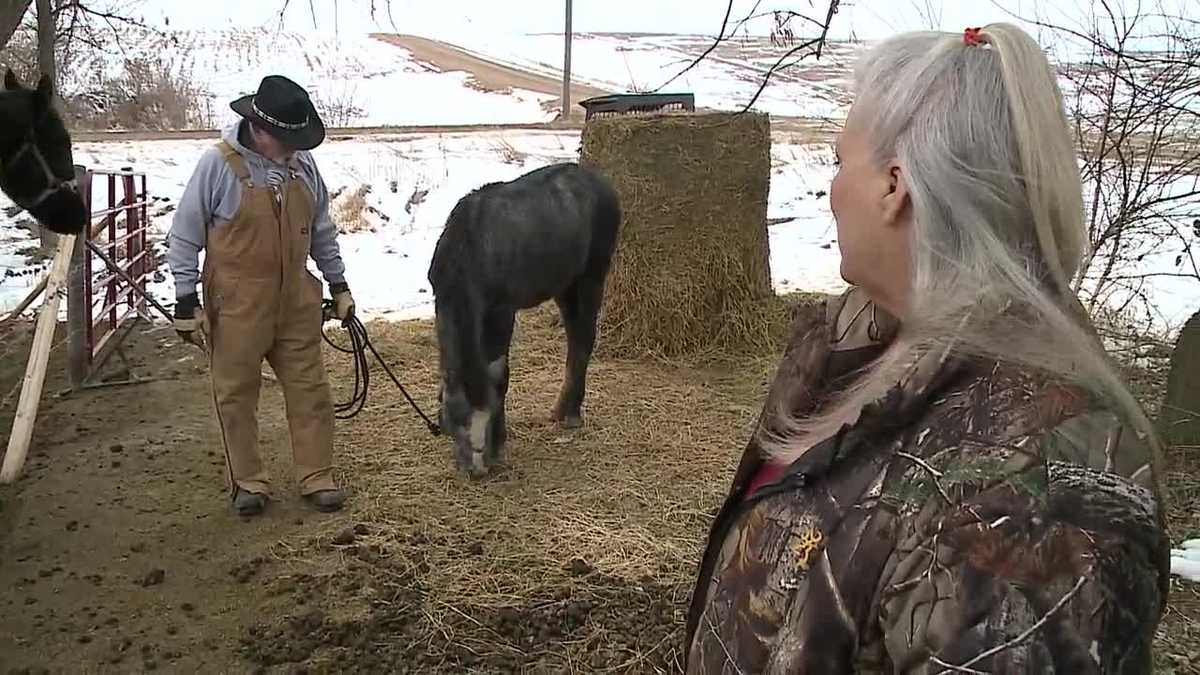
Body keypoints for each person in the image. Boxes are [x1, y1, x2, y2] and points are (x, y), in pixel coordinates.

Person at [683, 23, 1170, 673]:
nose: (831, 192)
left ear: (894, 186)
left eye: (837, 163)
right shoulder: (870, 349)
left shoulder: (1028, 488)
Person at [166, 75, 357, 517]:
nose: (295, 148)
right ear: (261, 129)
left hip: (295, 301)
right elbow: (184, 236)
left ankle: (317, 476)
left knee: (311, 389)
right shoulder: (217, 166)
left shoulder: (304, 167)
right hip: (236, 304)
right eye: (287, 139)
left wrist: (339, 284)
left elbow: (322, 230)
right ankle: (248, 483)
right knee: (235, 393)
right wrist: (184, 299)